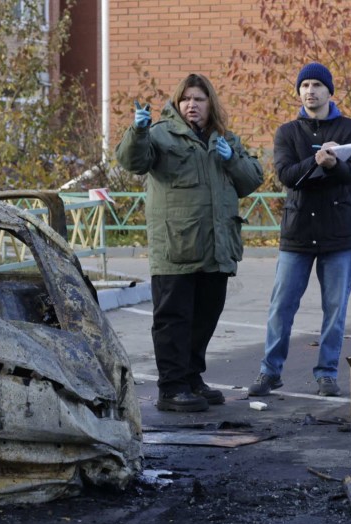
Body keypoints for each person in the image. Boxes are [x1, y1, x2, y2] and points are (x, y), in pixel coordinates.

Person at [117, 74, 264, 412]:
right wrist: (137, 131)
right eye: (185, 100)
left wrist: (232, 159)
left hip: (216, 246)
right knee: (174, 319)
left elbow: (252, 179)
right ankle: (171, 388)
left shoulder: (224, 138)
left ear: (210, 103)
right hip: (176, 247)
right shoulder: (160, 135)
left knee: (205, 315)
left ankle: (192, 378)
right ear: (177, 103)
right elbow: (132, 162)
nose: (192, 105)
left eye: (199, 99)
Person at [249, 62, 351, 398]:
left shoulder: (349, 128)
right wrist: (316, 162)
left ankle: (327, 373)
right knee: (281, 306)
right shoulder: (288, 132)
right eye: (304, 85)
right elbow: (286, 175)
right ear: (299, 92)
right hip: (297, 232)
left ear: (330, 91)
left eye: (317, 85)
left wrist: (335, 165)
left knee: (335, 309)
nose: (310, 91)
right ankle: (269, 371)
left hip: (338, 233)